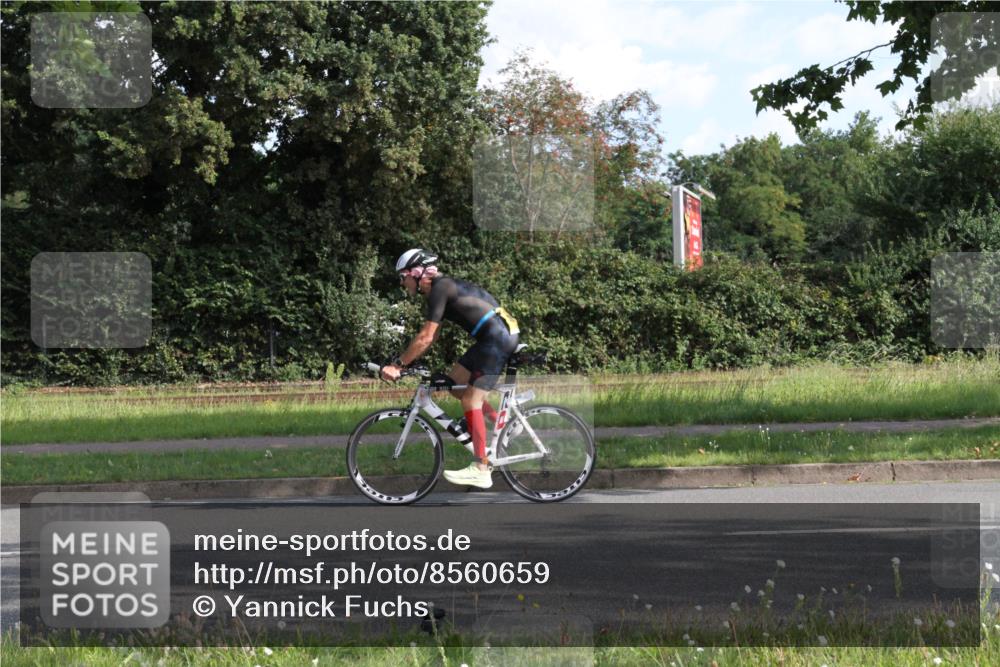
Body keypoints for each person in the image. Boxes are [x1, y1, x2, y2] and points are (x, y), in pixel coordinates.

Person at [381, 248, 520, 489]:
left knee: (471, 401)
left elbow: (425, 337)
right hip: (493, 337)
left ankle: (481, 468)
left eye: (403, 277)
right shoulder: (442, 288)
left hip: (496, 340)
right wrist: (407, 361)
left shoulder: (439, 289)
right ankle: (503, 424)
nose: (402, 283)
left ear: (417, 273)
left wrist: (398, 366)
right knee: (455, 383)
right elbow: (431, 338)